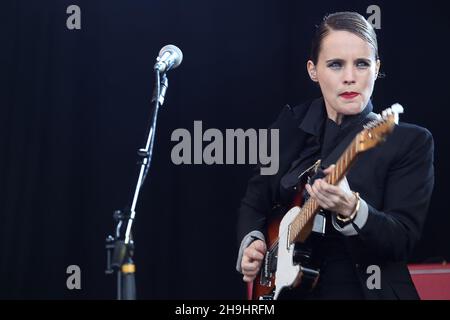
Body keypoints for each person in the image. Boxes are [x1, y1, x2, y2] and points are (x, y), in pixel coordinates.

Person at [236, 11, 434, 299]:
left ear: (377, 68)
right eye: (336, 65)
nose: (350, 78)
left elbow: (401, 240)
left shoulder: (410, 141)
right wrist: (252, 243)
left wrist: (353, 209)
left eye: (362, 64)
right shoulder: (290, 127)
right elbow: (253, 202)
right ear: (313, 70)